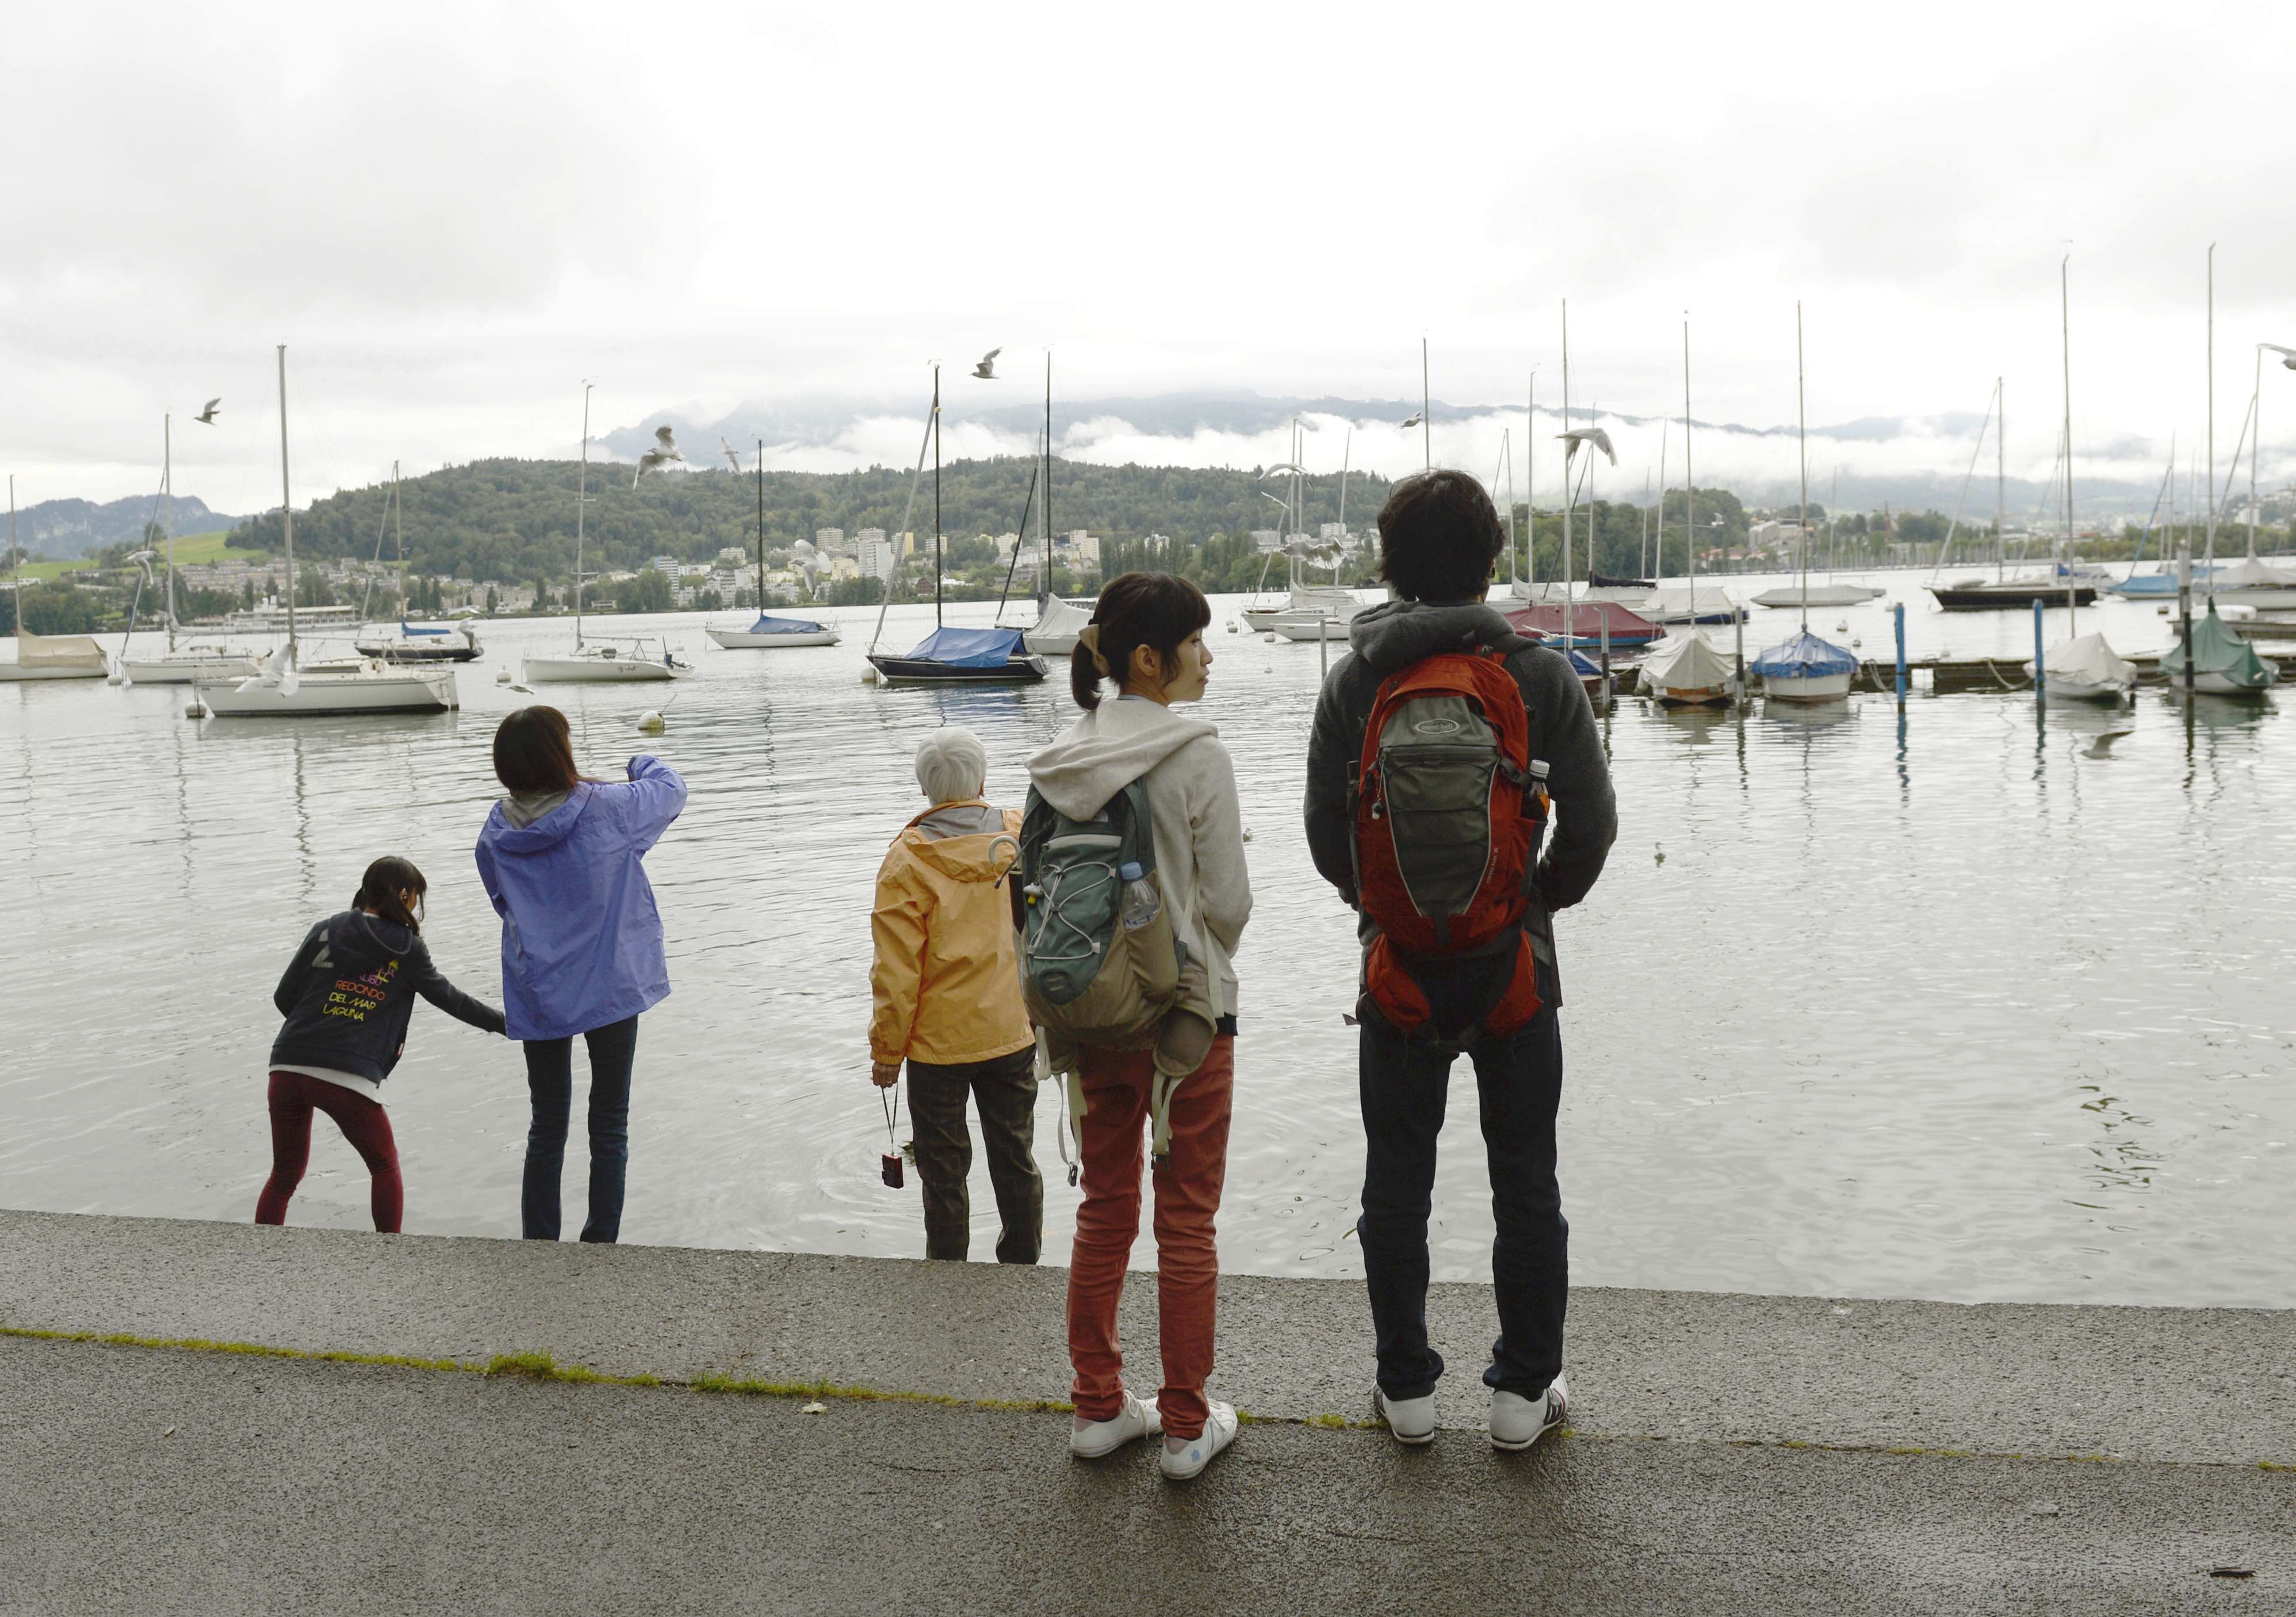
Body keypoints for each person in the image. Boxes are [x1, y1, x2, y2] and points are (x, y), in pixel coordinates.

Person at [1303, 469, 1616, 1452]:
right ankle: (1523, 1396)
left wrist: (1385, 904)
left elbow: (1324, 837)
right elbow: (1595, 829)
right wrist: (1530, 899)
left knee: (1396, 1179)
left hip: (1396, 968)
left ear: (1390, 564)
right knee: (1525, 1179)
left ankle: (1407, 1392)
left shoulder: (1355, 680)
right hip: (1513, 967)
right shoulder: (1539, 676)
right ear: (1492, 562)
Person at [1028, 572, 1252, 1481]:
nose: (1207, 656)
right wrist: (1194, 950)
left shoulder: (1061, 756)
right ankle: (1190, 1425)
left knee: (1105, 1210)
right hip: (1185, 1021)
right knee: (1187, 1223)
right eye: (1196, 641)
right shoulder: (1195, 753)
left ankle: (1098, 1409)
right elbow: (1228, 903)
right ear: (1150, 658)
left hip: (1084, 1020)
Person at [475, 706, 687, 1244]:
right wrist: (639, 758)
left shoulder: (497, 830)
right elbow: (671, 787)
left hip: (538, 989)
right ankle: (600, 1246)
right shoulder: (609, 808)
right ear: (560, 753)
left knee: (546, 1125)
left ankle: (540, 1244)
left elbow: (503, 901)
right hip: (610, 985)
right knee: (608, 1122)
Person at [867, 726, 1043, 1265]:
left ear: (925, 790)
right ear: (983, 781)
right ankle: (1022, 1265)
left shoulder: (907, 862)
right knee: (1015, 1156)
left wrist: (886, 1055)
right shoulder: (1019, 837)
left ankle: (948, 1273)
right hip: (1013, 1029)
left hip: (936, 1046)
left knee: (943, 1168)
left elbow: (897, 974)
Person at [258, 856, 506, 1232]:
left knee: (285, 1175)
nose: (415, 907)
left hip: (287, 1065)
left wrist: (317, 1030)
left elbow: (283, 997)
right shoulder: (406, 949)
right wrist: (512, 1025)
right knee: (383, 1164)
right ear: (404, 895)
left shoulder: (325, 930)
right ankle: (390, 1255)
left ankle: (260, 1253)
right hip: (349, 1074)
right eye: (415, 899)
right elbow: (452, 1000)